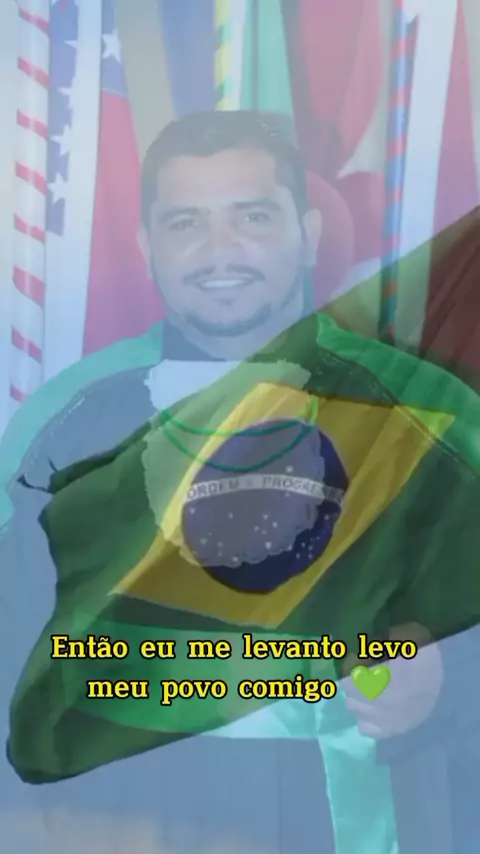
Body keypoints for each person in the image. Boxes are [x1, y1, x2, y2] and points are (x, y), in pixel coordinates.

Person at [2, 110, 480, 854]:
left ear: (309, 233)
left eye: (252, 216)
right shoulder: (67, 423)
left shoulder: (426, 411)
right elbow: (14, 651)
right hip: (131, 822)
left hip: (357, 818)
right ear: (147, 247)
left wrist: (446, 676)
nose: (220, 250)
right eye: (186, 222)